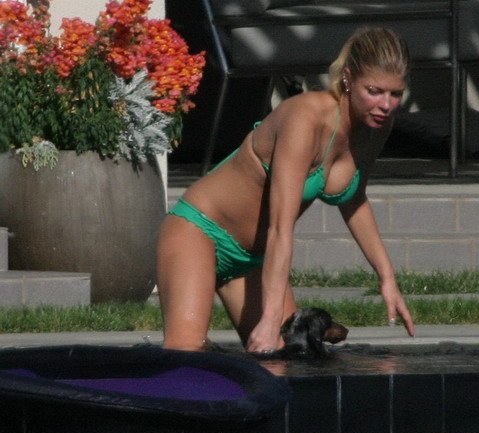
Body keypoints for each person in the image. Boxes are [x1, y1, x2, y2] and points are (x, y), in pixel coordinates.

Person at [156, 27, 416, 353]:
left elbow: (354, 200)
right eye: (374, 91)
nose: (386, 105)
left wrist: (387, 278)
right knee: (187, 354)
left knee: (286, 358)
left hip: (254, 259)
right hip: (200, 231)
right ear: (348, 78)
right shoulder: (304, 118)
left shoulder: (376, 126)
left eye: (396, 94)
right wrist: (270, 318)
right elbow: (280, 228)